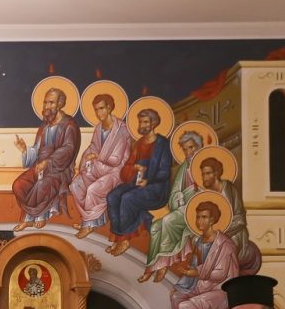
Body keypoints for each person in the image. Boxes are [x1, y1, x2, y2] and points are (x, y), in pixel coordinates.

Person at [169, 196, 242, 309]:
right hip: (203, 287)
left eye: (204, 217)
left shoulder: (224, 245)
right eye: (198, 217)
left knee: (184, 307)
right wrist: (185, 275)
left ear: (212, 220)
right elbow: (194, 267)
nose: (199, 221)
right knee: (175, 297)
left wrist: (196, 273)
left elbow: (220, 274)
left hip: (221, 292)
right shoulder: (197, 241)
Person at [105, 108, 173, 255]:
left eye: (146, 122)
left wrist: (148, 181)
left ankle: (124, 239)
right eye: (140, 122)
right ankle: (118, 233)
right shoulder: (139, 143)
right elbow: (127, 166)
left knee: (128, 198)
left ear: (153, 123)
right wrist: (134, 168)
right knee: (112, 196)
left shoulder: (162, 144)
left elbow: (164, 172)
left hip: (156, 188)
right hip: (135, 183)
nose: (142, 125)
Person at [142, 129, 207, 281]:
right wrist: (179, 197)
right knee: (155, 227)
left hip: (196, 209)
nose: (189, 152)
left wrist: (195, 193)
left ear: (199, 146)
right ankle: (152, 265)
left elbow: (210, 192)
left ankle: (164, 264)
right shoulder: (184, 167)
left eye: (191, 147)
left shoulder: (205, 165)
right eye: (185, 149)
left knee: (167, 221)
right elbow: (175, 190)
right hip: (182, 207)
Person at [12, 87, 80, 230]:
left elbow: (68, 150)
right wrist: (25, 150)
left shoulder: (69, 125)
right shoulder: (44, 125)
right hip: (40, 166)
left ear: (60, 104)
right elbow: (38, 149)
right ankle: (31, 216)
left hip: (59, 169)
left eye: (51, 103)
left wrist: (48, 162)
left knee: (42, 185)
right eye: (45, 102)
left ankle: (39, 216)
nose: (47, 106)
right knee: (18, 184)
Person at [71, 93, 132, 238]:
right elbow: (93, 146)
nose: (99, 113)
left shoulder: (121, 130)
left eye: (102, 108)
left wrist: (97, 156)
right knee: (76, 185)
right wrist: (84, 161)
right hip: (99, 167)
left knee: (93, 189)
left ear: (109, 108)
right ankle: (91, 219)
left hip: (116, 172)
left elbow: (116, 160)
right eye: (96, 110)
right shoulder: (99, 128)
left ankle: (88, 224)